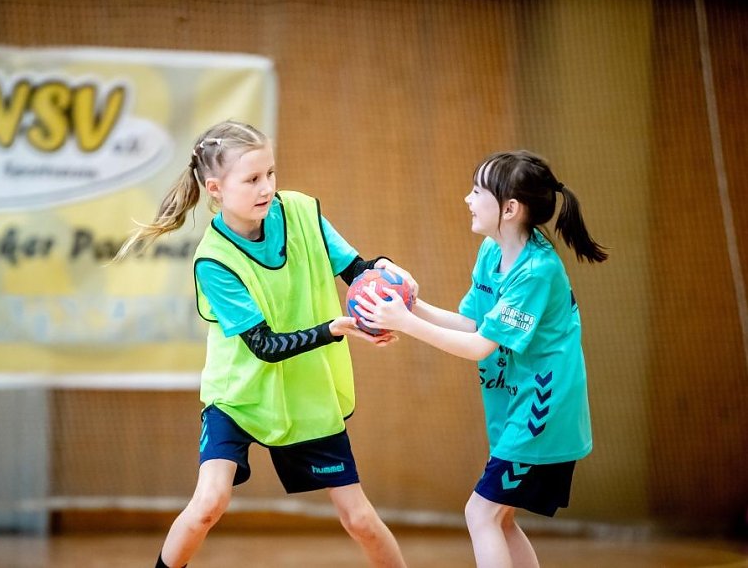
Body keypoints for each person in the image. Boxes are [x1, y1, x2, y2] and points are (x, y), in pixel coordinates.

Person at [116, 120, 413, 568]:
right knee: (208, 504)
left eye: (270, 173)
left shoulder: (300, 212)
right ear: (215, 189)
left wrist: (385, 271)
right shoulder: (214, 260)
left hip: (306, 390)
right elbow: (265, 346)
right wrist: (332, 330)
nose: (267, 187)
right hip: (239, 395)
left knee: (359, 519)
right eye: (252, 178)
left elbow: (356, 269)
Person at [354, 150, 607, 567]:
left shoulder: (536, 270)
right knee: (499, 519)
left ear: (510, 208)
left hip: (542, 413)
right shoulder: (492, 252)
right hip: (514, 406)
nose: (467, 199)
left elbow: (479, 347)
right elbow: (472, 324)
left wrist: (405, 322)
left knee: (481, 513)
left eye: (477, 191)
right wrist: (409, 303)